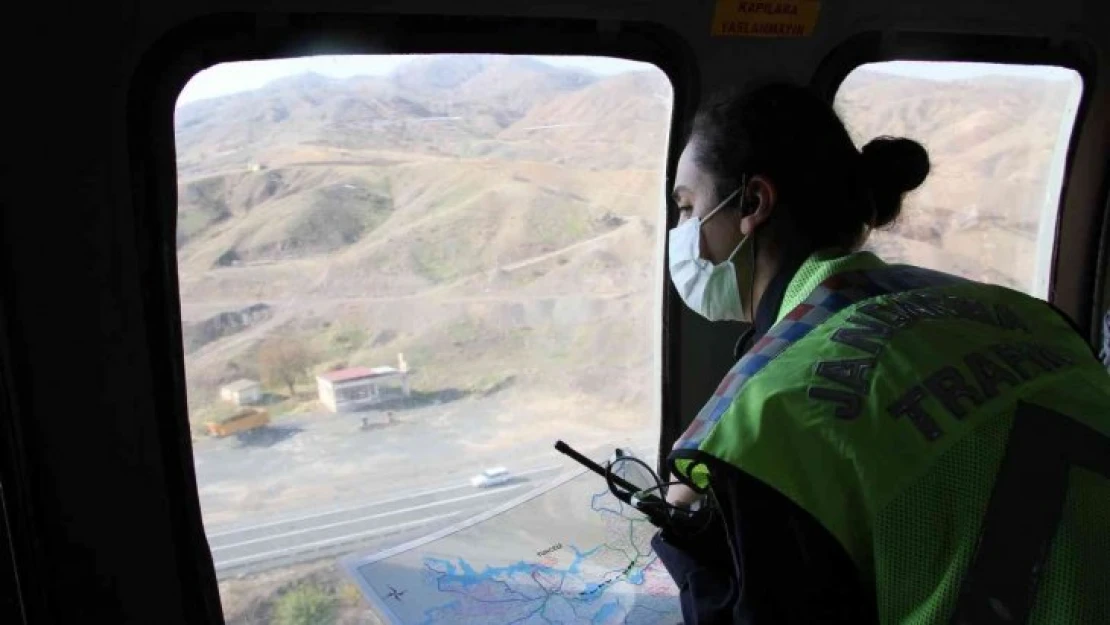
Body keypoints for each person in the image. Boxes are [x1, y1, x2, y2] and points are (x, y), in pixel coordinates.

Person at [651, 81, 1110, 624]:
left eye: (687, 206)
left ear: (752, 203)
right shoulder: (1032, 317)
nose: (682, 231)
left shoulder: (770, 422)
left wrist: (686, 536)